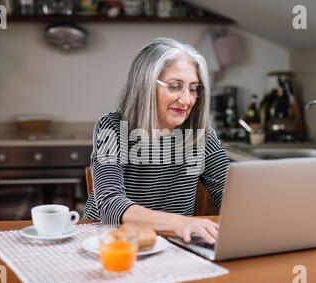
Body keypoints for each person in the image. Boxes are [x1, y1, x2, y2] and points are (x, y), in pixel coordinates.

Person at [83, 38, 230, 244]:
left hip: (173, 244)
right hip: (107, 242)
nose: (187, 100)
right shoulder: (112, 127)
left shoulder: (201, 133)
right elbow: (109, 205)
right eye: (174, 86)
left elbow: (231, 196)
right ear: (145, 85)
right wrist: (179, 222)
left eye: (193, 88)